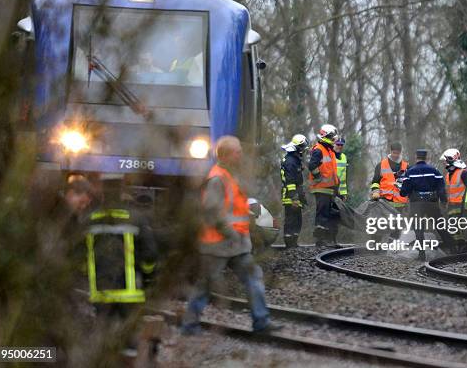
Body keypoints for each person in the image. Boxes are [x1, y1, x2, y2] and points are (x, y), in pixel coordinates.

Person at [181, 136, 274, 334]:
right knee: (204, 286)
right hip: (217, 244)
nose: (240, 154)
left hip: (237, 244)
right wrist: (229, 231)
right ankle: (189, 326)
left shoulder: (230, 175)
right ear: (226, 155)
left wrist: (247, 218)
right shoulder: (217, 178)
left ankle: (261, 321)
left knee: (253, 278)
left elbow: (232, 207)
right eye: (237, 151)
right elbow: (212, 211)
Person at [85, 174, 158, 312]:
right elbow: (150, 254)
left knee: (104, 331)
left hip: (100, 295)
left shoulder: (90, 220)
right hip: (131, 296)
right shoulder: (137, 218)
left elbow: (79, 256)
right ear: (121, 190)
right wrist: (148, 279)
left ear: (102, 192)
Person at [399, 149, 449, 260]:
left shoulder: (410, 172)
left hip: (416, 203)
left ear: (416, 157)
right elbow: (441, 188)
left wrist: (401, 188)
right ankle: (453, 249)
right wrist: (444, 201)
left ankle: (422, 254)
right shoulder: (434, 171)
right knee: (440, 226)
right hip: (432, 202)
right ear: (426, 158)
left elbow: (403, 192)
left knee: (418, 229)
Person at [308, 124, 340, 246]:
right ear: (326, 136)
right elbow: (312, 166)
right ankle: (320, 240)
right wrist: (318, 177)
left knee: (327, 213)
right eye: (332, 138)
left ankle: (327, 239)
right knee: (322, 214)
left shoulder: (329, 150)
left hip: (329, 188)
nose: (334, 140)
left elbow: (331, 170)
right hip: (321, 188)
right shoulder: (318, 149)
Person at [280, 134, 309, 248]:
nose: (303, 151)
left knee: (297, 220)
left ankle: (293, 243)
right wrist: (294, 198)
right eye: (302, 148)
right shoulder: (291, 161)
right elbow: (291, 182)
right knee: (292, 220)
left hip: (294, 195)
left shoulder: (293, 160)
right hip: (291, 196)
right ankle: (290, 244)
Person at [440, 148, 467, 254]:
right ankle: (460, 246)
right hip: (452, 205)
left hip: (461, 204)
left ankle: (462, 247)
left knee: (459, 227)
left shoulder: (463, 173)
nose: (444, 163)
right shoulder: (449, 174)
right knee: (454, 227)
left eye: (445, 161)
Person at [370, 142, 409, 211]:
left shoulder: (406, 167)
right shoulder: (381, 165)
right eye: (394, 153)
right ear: (390, 151)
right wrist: (375, 192)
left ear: (400, 152)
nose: (396, 155)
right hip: (384, 202)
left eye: (398, 153)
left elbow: (409, 184)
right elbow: (375, 182)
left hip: (401, 204)